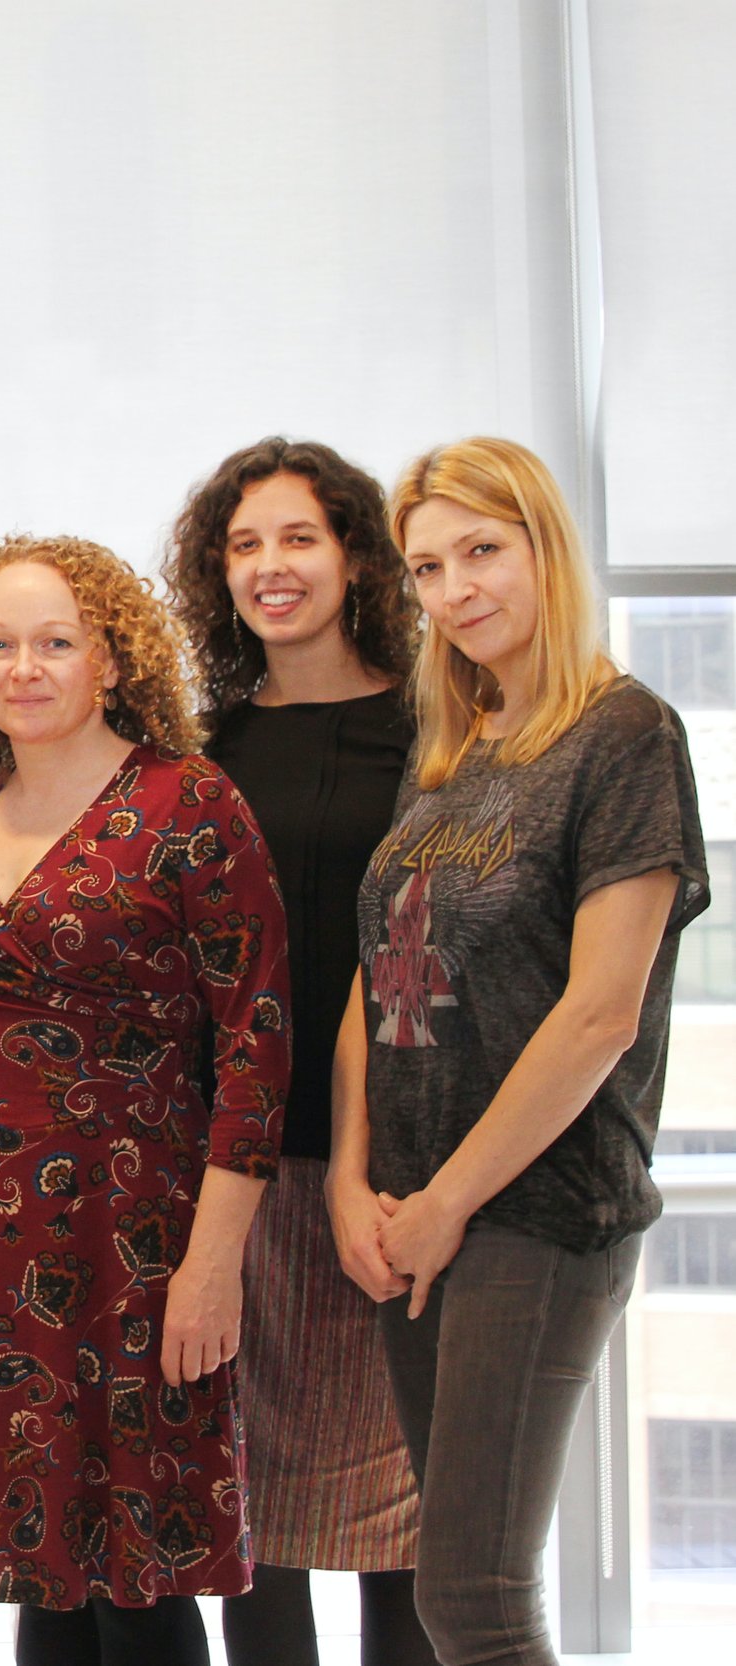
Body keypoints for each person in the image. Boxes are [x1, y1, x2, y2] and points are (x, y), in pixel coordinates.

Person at [346, 437, 708, 1666]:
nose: (455, 592)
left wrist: (448, 1201)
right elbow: (375, 972)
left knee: (474, 1595)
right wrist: (356, 1181)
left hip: (535, 1213)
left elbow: (602, 1012)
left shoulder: (624, 736)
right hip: (414, 1212)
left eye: (482, 552)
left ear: (545, 546)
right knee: (453, 1586)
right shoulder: (455, 750)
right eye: (427, 568)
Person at [0, 535, 287, 1666]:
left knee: (139, 1581)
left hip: (140, 1249)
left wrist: (212, 1266)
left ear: (110, 659)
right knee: (44, 1579)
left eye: (55, 642)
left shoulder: (190, 802)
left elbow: (256, 1049)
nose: (24, 666)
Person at [162, 439, 433, 1666]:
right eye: (243, 544)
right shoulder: (196, 750)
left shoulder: (439, 730)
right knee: (248, 1525)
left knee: (409, 1536)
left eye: (298, 538)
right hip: (239, 1176)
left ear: (355, 557)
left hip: (397, 1178)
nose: (271, 567)